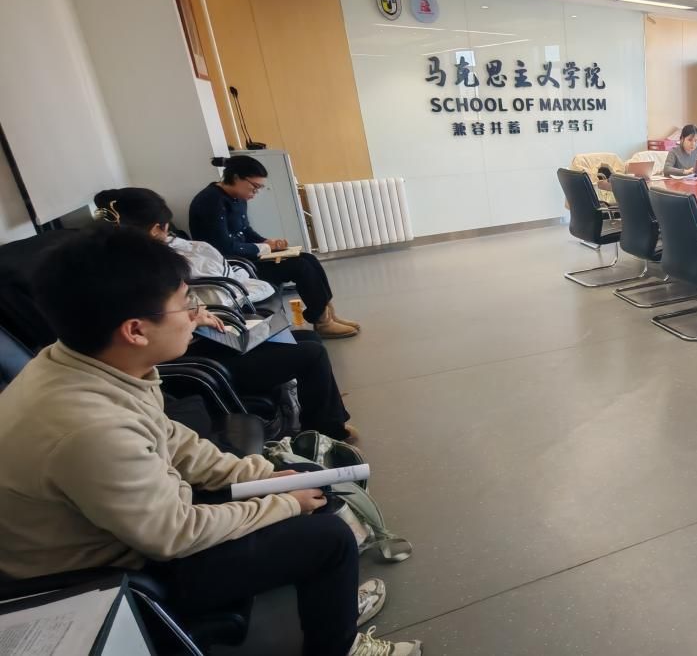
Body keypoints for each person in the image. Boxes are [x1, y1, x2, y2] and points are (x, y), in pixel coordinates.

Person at [0, 226, 419, 656]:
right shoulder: (90, 429)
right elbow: (174, 534)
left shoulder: (82, 363)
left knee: (302, 477)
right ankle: (339, 646)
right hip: (115, 574)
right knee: (328, 538)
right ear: (136, 330)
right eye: (186, 304)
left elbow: (172, 438)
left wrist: (261, 475)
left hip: (132, 521)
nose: (197, 314)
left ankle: (332, 604)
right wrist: (285, 503)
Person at [96, 188, 358, 443]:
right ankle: (327, 429)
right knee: (312, 353)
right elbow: (160, 334)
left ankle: (325, 419)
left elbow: (166, 320)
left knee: (308, 338)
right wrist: (194, 319)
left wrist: (195, 316)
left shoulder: (126, 270)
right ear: (157, 229)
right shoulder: (143, 280)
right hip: (200, 362)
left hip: (203, 345)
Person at [189, 156, 359, 339]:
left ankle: (327, 313)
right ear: (237, 177)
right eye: (254, 186)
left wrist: (269, 242)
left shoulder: (237, 197)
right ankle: (322, 322)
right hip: (235, 268)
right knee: (300, 267)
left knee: (308, 258)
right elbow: (224, 248)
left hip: (246, 258)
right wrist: (263, 247)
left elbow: (246, 230)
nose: (256, 192)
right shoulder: (210, 202)